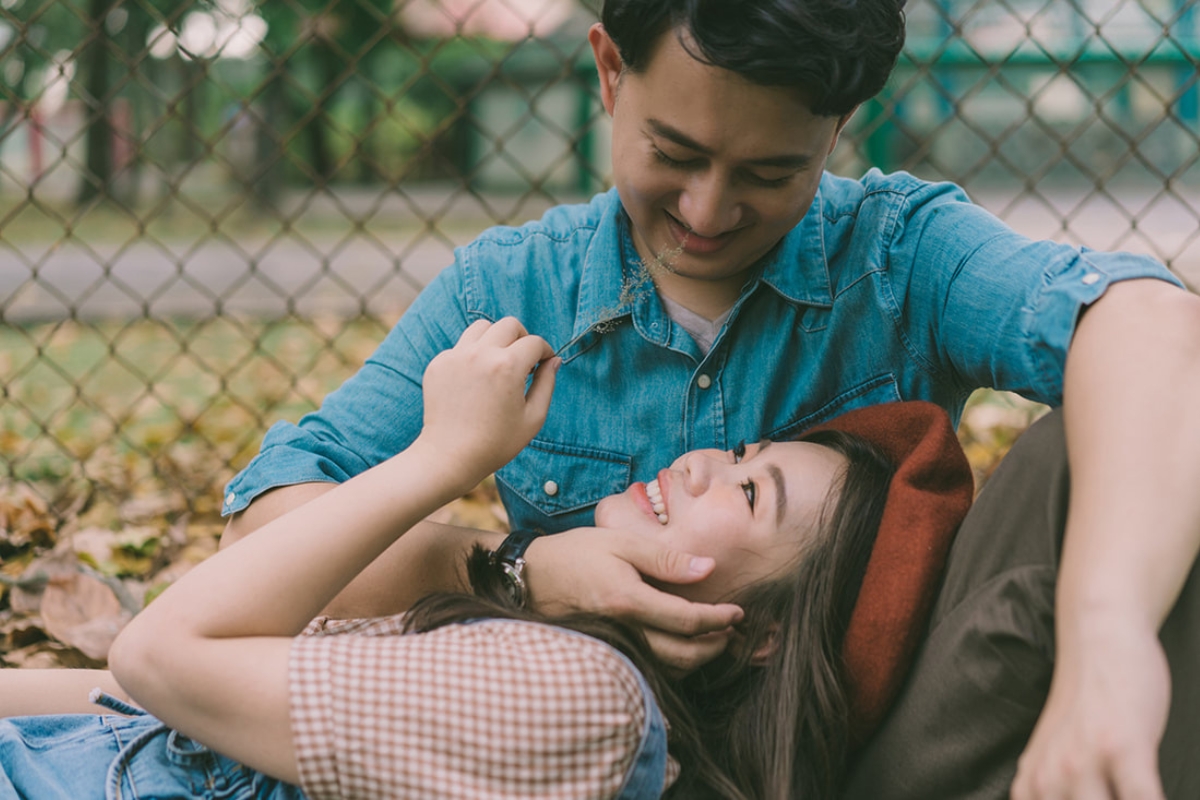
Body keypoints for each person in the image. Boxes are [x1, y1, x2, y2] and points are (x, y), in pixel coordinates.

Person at [219, 1, 1200, 797]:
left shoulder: (901, 254)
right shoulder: (506, 296)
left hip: (884, 754)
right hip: (609, 762)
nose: (706, 211)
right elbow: (267, 534)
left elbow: (1153, 324)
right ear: (609, 71)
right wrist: (524, 569)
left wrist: (1107, 634)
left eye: (770, 172)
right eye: (675, 153)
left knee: (1128, 447)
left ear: (835, 128)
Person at [0, 320, 976, 799]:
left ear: (762, 635)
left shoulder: (583, 703)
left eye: (751, 492)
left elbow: (159, 652)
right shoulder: (574, 667)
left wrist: (445, 457)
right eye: (746, 449)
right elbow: (147, 706)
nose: (706, 461)